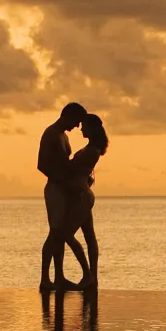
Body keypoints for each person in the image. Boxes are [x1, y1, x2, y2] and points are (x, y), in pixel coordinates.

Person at [44, 113, 108, 290]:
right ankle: (92, 278)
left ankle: (89, 275)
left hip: (82, 196)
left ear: (91, 129)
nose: (81, 128)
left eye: (84, 126)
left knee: (65, 234)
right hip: (80, 194)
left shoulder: (92, 151)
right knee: (88, 235)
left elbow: (72, 170)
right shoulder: (89, 148)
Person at [38, 103, 91, 291]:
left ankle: (59, 276)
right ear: (67, 116)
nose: (77, 126)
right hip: (55, 188)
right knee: (55, 232)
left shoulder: (64, 137)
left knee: (59, 234)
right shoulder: (51, 134)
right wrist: (61, 180)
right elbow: (42, 164)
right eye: (76, 121)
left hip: (63, 188)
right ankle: (45, 278)